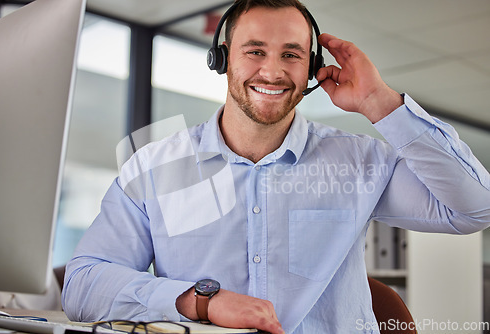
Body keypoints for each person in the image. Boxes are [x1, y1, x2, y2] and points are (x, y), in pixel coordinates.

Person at [61, 0, 490, 333]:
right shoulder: (158, 166)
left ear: (312, 69)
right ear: (223, 58)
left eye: (291, 54)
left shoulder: (359, 161)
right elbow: (83, 284)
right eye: (255, 51)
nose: (273, 70)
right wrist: (199, 301)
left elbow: (475, 208)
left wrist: (380, 102)